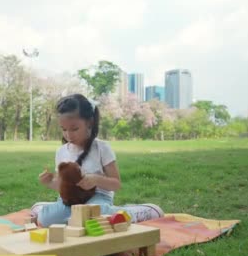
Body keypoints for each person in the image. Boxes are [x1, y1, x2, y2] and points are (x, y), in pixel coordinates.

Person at [32, 93, 163, 227]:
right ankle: (46, 209)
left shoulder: (102, 148)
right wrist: (49, 182)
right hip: (70, 201)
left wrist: (96, 180)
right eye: (64, 129)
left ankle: (135, 213)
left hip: (98, 199)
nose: (68, 134)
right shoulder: (61, 152)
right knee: (45, 220)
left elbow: (116, 184)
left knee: (96, 218)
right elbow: (62, 187)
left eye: (74, 129)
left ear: (89, 123)